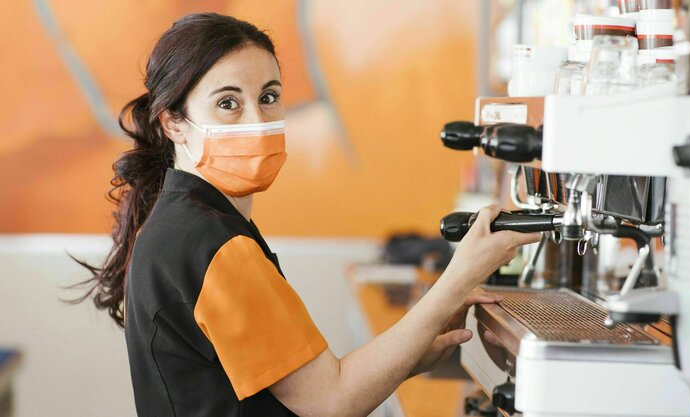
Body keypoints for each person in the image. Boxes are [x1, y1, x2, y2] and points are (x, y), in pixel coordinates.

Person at [76, 13, 539, 417]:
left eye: (269, 96)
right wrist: (459, 278)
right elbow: (331, 402)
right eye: (228, 103)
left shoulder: (185, 223)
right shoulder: (213, 244)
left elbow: (304, 387)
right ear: (173, 122)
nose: (257, 121)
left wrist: (408, 354)